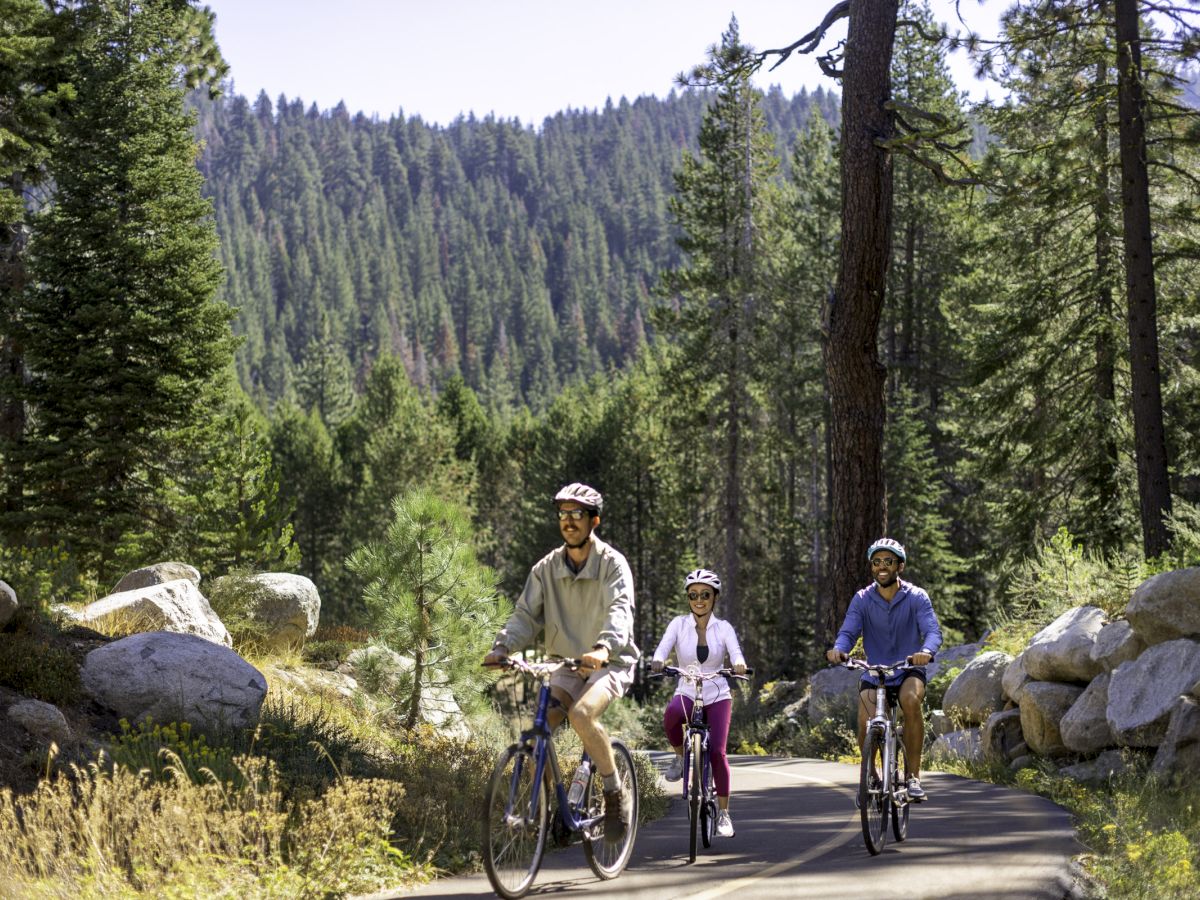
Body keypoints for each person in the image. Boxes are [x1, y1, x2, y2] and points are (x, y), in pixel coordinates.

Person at [483, 482, 640, 843]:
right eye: (563, 514)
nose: (568, 521)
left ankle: (615, 794)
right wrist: (503, 647)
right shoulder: (546, 569)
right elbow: (525, 615)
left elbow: (619, 612)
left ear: (593, 521)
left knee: (582, 715)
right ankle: (551, 807)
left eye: (577, 514)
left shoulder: (613, 565)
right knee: (541, 731)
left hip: (610, 662)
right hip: (566, 664)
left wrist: (603, 648)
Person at [825, 538, 942, 802]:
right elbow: (848, 632)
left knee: (910, 700)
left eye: (888, 561)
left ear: (899, 566)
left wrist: (926, 652)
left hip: (908, 668)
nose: (882, 567)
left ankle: (913, 777)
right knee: (865, 717)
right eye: (876, 562)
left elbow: (933, 631)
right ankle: (871, 777)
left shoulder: (916, 597)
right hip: (875, 671)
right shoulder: (862, 599)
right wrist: (839, 649)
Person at [650, 568, 747, 838]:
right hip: (688, 689)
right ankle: (682, 758)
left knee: (717, 751)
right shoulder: (678, 624)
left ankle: (725, 814)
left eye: (705, 594)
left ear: (714, 597)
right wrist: (658, 659)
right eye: (693, 595)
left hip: (717, 692)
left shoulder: (724, 627)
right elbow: (664, 646)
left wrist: (739, 663)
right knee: (671, 716)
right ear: (688, 598)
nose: (699, 600)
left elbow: (735, 651)